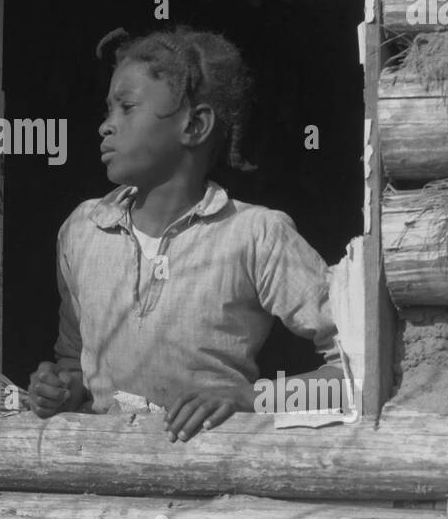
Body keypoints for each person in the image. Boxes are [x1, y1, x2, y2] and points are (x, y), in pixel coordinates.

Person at [27, 26, 346, 442]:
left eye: (126, 108)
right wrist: (61, 389)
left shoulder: (255, 235)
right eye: (108, 111)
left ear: (195, 125)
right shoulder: (83, 230)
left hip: (211, 481)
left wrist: (252, 397)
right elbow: (75, 362)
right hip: (106, 483)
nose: (106, 126)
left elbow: (356, 370)